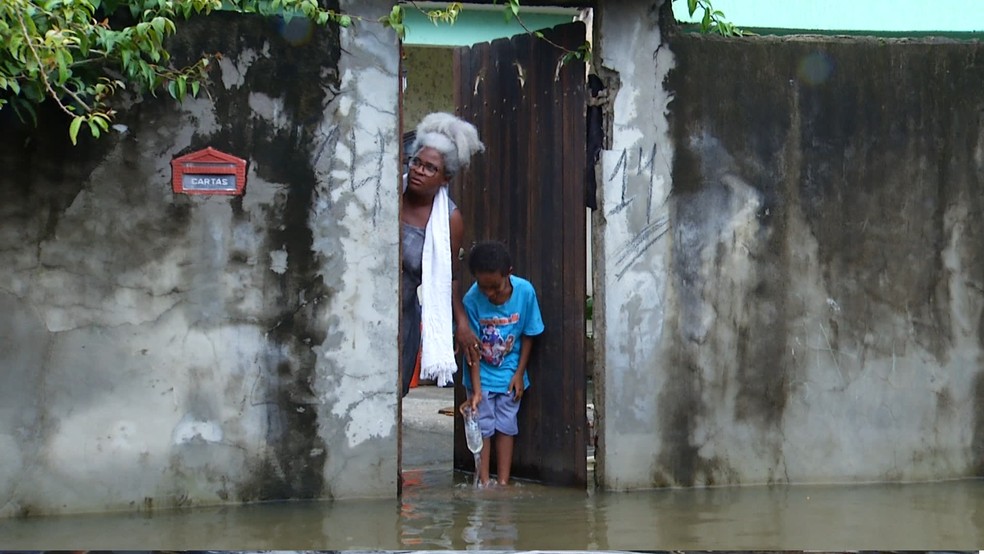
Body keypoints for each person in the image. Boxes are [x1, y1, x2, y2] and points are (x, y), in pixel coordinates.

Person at [401, 112, 485, 397]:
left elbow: (447, 277)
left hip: (402, 318)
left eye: (429, 168)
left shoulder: (449, 220)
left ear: (445, 178)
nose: (418, 170)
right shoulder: (387, 191)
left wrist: (460, 322)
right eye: (416, 162)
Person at [459, 240, 544, 486]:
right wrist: (476, 391)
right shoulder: (471, 299)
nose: (488, 293)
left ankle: (504, 483)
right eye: (483, 287)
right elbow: (472, 350)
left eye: (494, 287)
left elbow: (529, 334)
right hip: (481, 374)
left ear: (508, 273)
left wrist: (519, 373)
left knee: (507, 425)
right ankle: (484, 481)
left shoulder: (525, 292)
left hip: (509, 372)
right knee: (483, 425)